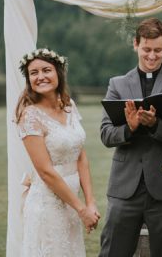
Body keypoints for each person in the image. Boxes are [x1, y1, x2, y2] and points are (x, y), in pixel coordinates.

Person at [99, 18, 162, 257]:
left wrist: (156, 125)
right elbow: (106, 135)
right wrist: (129, 128)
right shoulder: (117, 85)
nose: (152, 56)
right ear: (135, 45)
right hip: (124, 189)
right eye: (147, 49)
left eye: (158, 50)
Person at [14, 48, 100, 257]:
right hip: (48, 203)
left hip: (73, 201)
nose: (40, 76)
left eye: (46, 70)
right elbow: (45, 172)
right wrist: (82, 210)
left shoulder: (69, 105)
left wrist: (90, 203)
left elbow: (81, 155)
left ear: (58, 74)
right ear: (28, 80)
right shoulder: (30, 116)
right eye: (34, 73)